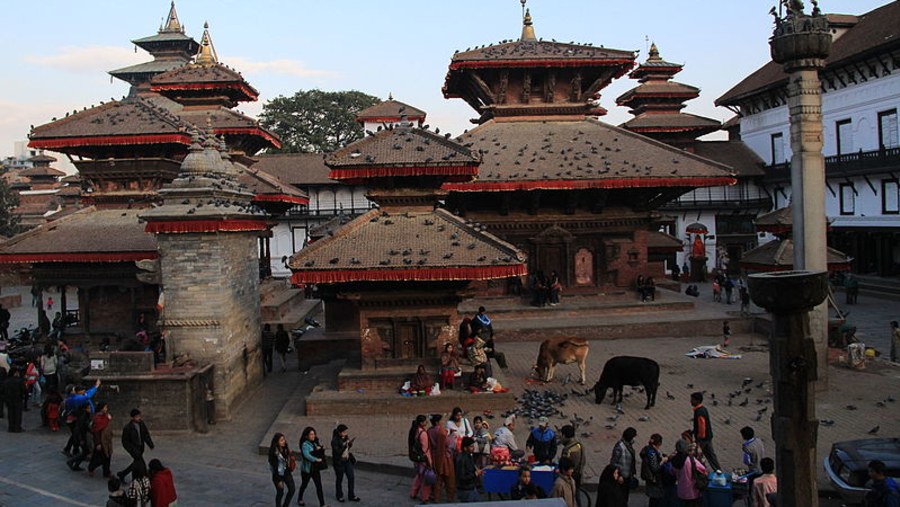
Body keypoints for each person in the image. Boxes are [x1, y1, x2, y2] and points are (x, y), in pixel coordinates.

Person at [63, 379, 101, 456]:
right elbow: (87, 396)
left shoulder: (78, 397)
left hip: (77, 419)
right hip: (74, 420)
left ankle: (72, 449)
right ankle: (79, 452)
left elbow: (87, 393)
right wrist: (96, 386)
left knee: (75, 435)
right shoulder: (74, 399)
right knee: (78, 435)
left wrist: (95, 387)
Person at [118, 408, 155, 482]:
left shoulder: (141, 424)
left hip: (140, 447)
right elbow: (125, 441)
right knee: (141, 463)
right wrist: (131, 450)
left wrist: (150, 444)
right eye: (137, 417)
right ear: (132, 418)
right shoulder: (128, 428)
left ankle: (122, 474)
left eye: (139, 416)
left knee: (136, 463)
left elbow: (145, 434)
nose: (139, 418)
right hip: (134, 448)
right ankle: (144, 477)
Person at [428, 413, 457, 502]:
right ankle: (450, 498)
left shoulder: (429, 430)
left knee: (438, 480)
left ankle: (436, 498)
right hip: (445, 457)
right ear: (437, 422)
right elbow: (448, 443)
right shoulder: (442, 431)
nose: (443, 422)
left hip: (434, 456)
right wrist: (452, 435)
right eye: (441, 420)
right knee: (449, 479)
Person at [690, 391, 721, 471]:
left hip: (702, 439)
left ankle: (697, 471)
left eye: (692, 400)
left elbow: (702, 426)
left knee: (696, 455)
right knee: (711, 455)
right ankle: (718, 470)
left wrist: (699, 438)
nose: (691, 401)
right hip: (708, 436)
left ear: (697, 401)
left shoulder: (699, 412)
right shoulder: (703, 409)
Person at [297, 426, 327, 507]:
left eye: (314, 434)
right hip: (307, 469)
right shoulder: (305, 445)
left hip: (315, 469)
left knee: (319, 486)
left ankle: (322, 504)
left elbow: (316, 450)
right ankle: (300, 498)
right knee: (304, 485)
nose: (313, 436)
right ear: (306, 436)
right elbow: (307, 455)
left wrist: (319, 448)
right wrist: (316, 459)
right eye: (311, 434)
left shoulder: (314, 442)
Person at [673, 439, 706, 507]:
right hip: (692, 491)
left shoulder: (674, 460)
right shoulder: (690, 460)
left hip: (681, 491)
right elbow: (702, 469)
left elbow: (672, 472)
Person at [332, 423, 359, 502]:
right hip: (339, 462)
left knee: (351, 477)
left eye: (346, 432)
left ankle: (351, 495)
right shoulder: (335, 441)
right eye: (344, 432)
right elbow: (337, 452)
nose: (345, 433)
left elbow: (347, 448)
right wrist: (345, 445)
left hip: (347, 460)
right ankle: (339, 495)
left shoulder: (346, 438)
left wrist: (349, 444)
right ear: (339, 433)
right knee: (339, 479)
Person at [409, 415, 433, 503]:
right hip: (424, 460)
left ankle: (413, 492)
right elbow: (425, 449)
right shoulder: (423, 434)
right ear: (421, 423)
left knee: (419, 476)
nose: (426, 422)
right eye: (425, 421)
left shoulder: (415, 431)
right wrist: (429, 462)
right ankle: (425, 497)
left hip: (417, 459)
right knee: (425, 479)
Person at [609, 427, 637, 502]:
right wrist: (619, 475)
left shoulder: (629, 445)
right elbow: (614, 462)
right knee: (619, 498)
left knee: (624, 497)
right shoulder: (620, 446)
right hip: (621, 477)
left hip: (627, 475)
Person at [639, 433, 667, 507]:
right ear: (659, 443)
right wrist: (662, 461)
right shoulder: (652, 453)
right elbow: (655, 467)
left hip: (650, 477)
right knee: (655, 500)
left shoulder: (647, 449)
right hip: (654, 479)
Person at [268, 432, 296, 507]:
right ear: (277, 442)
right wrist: (279, 480)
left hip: (287, 472)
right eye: (281, 440)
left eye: (284, 439)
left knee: (292, 489)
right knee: (280, 492)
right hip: (278, 475)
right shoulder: (274, 453)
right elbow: (274, 468)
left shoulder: (285, 448)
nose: (284, 441)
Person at [88, 402, 114, 477]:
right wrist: (98, 443)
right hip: (101, 440)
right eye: (105, 407)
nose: (106, 409)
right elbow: (96, 431)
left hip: (107, 440)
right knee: (101, 457)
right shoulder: (97, 418)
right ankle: (92, 467)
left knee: (108, 456)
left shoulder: (106, 416)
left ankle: (106, 471)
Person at [560, 425, 586, 492]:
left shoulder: (568, 449)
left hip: (571, 477)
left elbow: (565, 465)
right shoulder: (579, 445)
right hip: (579, 475)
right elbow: (583, 461)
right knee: (577, 495)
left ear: (564, 436)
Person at [455, 436, 481, 503]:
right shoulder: (462, 459)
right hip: (466, 489)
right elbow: (462, 476)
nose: (473, 448)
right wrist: (475, 474)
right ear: (465, 448)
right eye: (471, 446)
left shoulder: (469, 456)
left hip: (471, 487)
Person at [1, 367, 26, 432]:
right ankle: (17, 427)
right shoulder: (20, 380)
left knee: (10, 413)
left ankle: (11, 427)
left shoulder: (6, 381)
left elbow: (2, 391)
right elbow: (24, 390)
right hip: (18, 399)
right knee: (17, 414)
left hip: (9, 399)